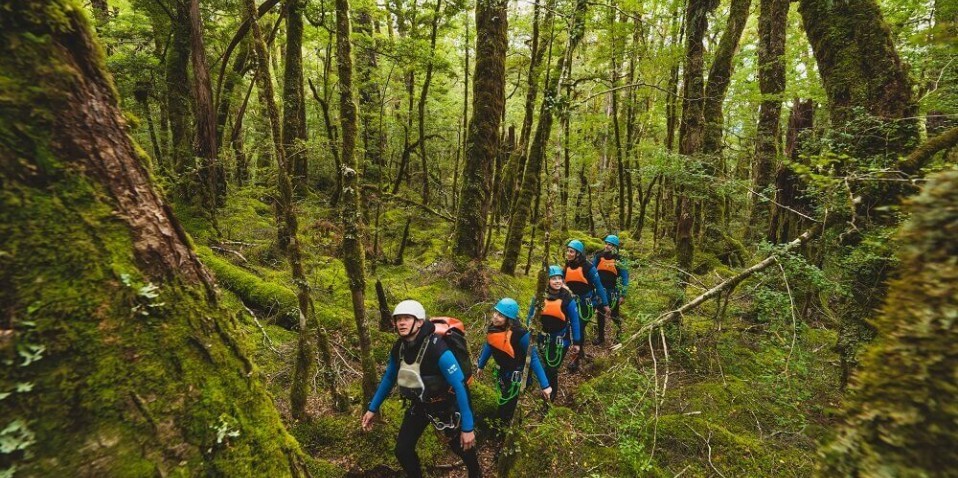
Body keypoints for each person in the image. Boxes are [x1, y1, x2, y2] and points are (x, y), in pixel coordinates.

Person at [361, 300, 481, 478]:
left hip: (445, 406)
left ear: (419, 322)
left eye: (406, 319)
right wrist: (372, 408)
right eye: (398, 319)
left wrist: (468, 427)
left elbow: (459, 384)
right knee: (402, 450)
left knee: (462, 446)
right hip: (420, 406)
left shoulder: (436, 347)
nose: (401, 323)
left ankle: (475, 472)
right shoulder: (399, 348)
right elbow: (388, 378)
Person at [475, 298, 552, 436]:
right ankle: (505, 429)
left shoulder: (520, 334)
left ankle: (505, 436)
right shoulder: (493, 328)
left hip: (518, 378)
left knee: (507, 408)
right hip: (503, 374)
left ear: (508, 319)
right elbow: (489, 345)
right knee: (506, 404)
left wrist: (545, 385)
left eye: (500, 315)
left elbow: (533, 358)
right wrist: (481, 365)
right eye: (495, 313)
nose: (495, 317)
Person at [527, 266, 582, 401]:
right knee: (545, 364)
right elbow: (531, 315)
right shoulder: (540, 296)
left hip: (560, 340)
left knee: (552, 369)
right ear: (547, 281)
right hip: (542, 336)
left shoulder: (567, 298)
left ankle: (550, 398)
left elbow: (575, 321)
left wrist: (577, 342)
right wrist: (528, 331)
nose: (557, 281)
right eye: (553, 279)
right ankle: (543, 388)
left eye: (559, 278)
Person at [564, 239, 609, 372]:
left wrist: (605, 304)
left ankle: (575, 360)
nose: (568, 253)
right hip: (572, 302)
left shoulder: (589, 267)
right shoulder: (567, 266)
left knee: (578, 327)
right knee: (571, 327)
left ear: (578, 253)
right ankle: (580, 351)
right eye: (567, 251)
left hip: (586, 303)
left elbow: (599, 286)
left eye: (571, 251)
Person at [592, 234, 630, 345]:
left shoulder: (620, 260)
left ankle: (619, 335)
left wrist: (623, 294)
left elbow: (625, 277)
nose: (608, 246)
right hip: (600, 290)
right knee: (600, 314)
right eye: (607, 244)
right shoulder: (598, 256)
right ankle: (601, 337)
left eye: (611, 245)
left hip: (613, 291)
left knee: (614, 314)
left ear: (615, 247)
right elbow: (592, 271)